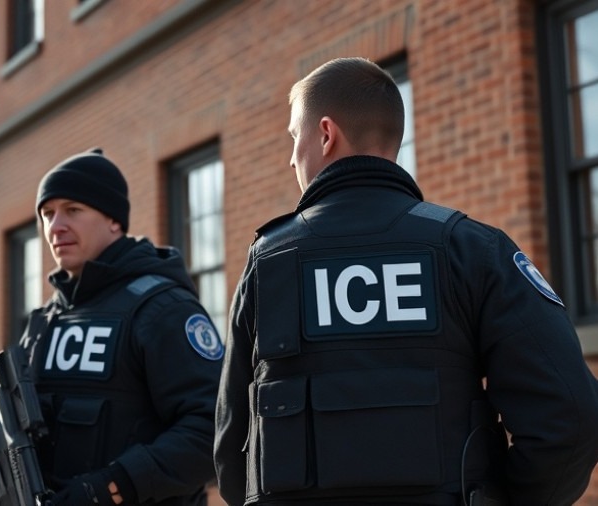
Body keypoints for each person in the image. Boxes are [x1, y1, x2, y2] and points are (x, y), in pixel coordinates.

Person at [214, 57, 598, 506]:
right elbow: (570, 416)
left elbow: (231, 449)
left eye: (295, 137)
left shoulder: (268, 261)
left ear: (324, 133)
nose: (291, 157)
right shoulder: (471, 248)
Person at [0, 148, 223, 506]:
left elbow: (214, 427)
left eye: (73, 210)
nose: (55, 227)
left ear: (113, 221)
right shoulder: (47, 320)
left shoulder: (161, 309)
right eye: (47, 214)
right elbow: (30, 419)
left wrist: (111, 488)